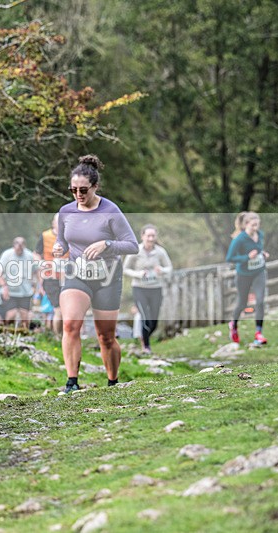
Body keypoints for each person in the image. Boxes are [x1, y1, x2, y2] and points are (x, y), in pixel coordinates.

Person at [52, 155, 138, 393]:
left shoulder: (110, 211)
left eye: (83, 190)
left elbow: (132, 245)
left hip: (107, 277)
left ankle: (112, 382)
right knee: (70, 325)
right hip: (77, 273)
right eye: (73, 190)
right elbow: (62, 242)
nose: (78, 195)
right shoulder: (66, 211)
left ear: (95, 187)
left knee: (106, 337)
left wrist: (107, 245)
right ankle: (72, 382)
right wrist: (59, 248)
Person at [123, 224, 173, 354]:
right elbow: (125, 269)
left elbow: (169, 268)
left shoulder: (160, 252)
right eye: (148, 236)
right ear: (142, 236)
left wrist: (161, 270)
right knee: (145, 317)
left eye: (153, 236)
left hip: (156, 288)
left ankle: (143, 338)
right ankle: (146, 346)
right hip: (139, 288)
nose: (151, 238)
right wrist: (138, 274)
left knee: (154, 322)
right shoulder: (136, 250)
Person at [226, 211, 269, 345]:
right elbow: (230, 258)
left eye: (258, 224)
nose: (256, 227)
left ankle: (258, 334)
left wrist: (262, 254)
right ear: (246, 225)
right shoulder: (239, 239)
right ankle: (234, 325)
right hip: (243, 275)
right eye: (253, 225)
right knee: (242, 303)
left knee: (260, 301)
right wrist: (247, 257)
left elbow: (258, 248)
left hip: (259, 272)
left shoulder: (260, 234)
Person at [33, 213, 68, 336]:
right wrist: (41, 263)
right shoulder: (45, 236)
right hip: (50, 277)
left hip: (67, 277)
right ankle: (57, 337)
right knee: (58, 309)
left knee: (67, 310)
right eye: (58, 223)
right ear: (53, 223)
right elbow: (36, 254)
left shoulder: (69, 236)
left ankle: (65, 336)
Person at [0, 237, 37, 330]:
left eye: (22, 245)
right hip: (11, 291)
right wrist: (4, 287)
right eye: (17, 245)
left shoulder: (29, 255)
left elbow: (35, 271)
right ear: (14, 245)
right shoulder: (7, 255)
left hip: (25, 291)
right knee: (11, 314)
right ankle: (6, 332)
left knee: (25, 316)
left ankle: (25, 335)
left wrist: (34, 286)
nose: (19, 248)